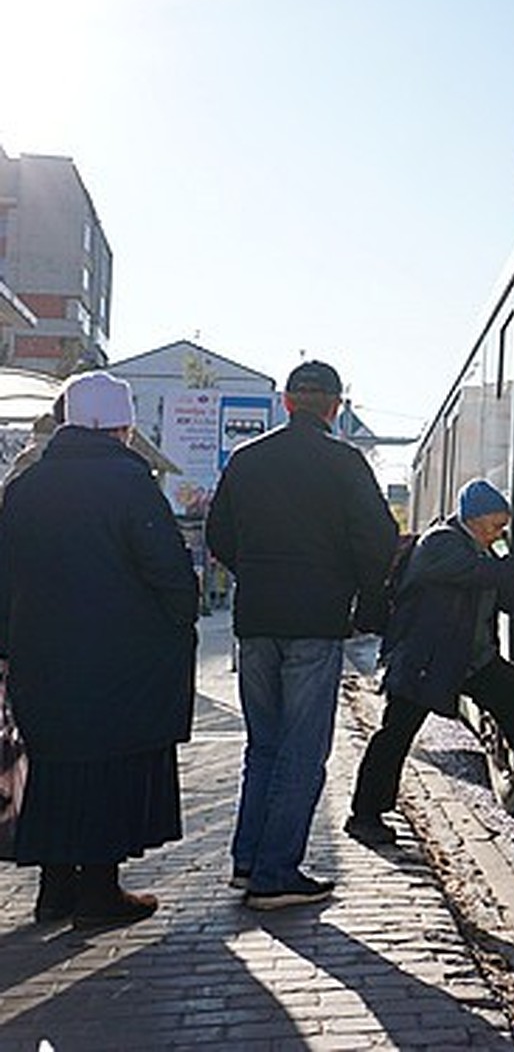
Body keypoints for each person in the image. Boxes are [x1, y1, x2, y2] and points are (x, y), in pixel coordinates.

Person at [0, 370, 199, 928]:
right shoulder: (130, 484)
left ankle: (54, 892)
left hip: (41, 660)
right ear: (123, 429)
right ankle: (99, 894)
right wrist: (177, 622)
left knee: (55, 768)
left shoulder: (25, 488)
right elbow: (171, 577)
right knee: (108, 769)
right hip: (119, 663)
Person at [206, 360, 398, 910]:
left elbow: (219, 534)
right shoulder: (344, 462)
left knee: (263, 745)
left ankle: (247, 861)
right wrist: (364, 595)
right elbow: (378, 536)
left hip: (257, 621)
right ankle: (275, 873)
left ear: (287, 402)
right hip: (315, 621)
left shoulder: (247, 458)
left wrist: (258, 571)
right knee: (303, 749)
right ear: (335, 407)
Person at [346, 478, 514, 846]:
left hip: (468, 659)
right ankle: (365, 815)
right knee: (395, 735)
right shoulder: (441, 543)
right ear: (474, 519)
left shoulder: (479, 550)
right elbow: (479, 576)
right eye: (496, 525)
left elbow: (502, 595)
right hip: (426, 659)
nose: (500, 534)